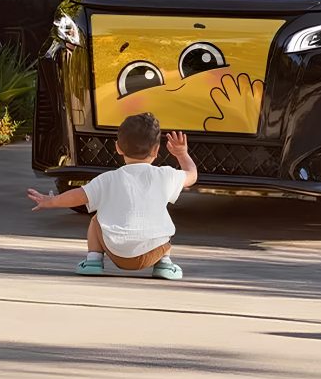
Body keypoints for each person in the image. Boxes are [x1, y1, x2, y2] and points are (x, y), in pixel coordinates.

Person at [26, 112, 197, 280]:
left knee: (96, 219)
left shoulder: (107, 179)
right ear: (156, 150)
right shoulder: (165, 176)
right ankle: (164, 264)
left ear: (118, 148)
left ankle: (93, 261)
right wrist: (182, 154)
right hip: (155, 251)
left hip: (117, 253)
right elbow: (192, 175)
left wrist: (51, 201)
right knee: (161, 223)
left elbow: (78, 196)